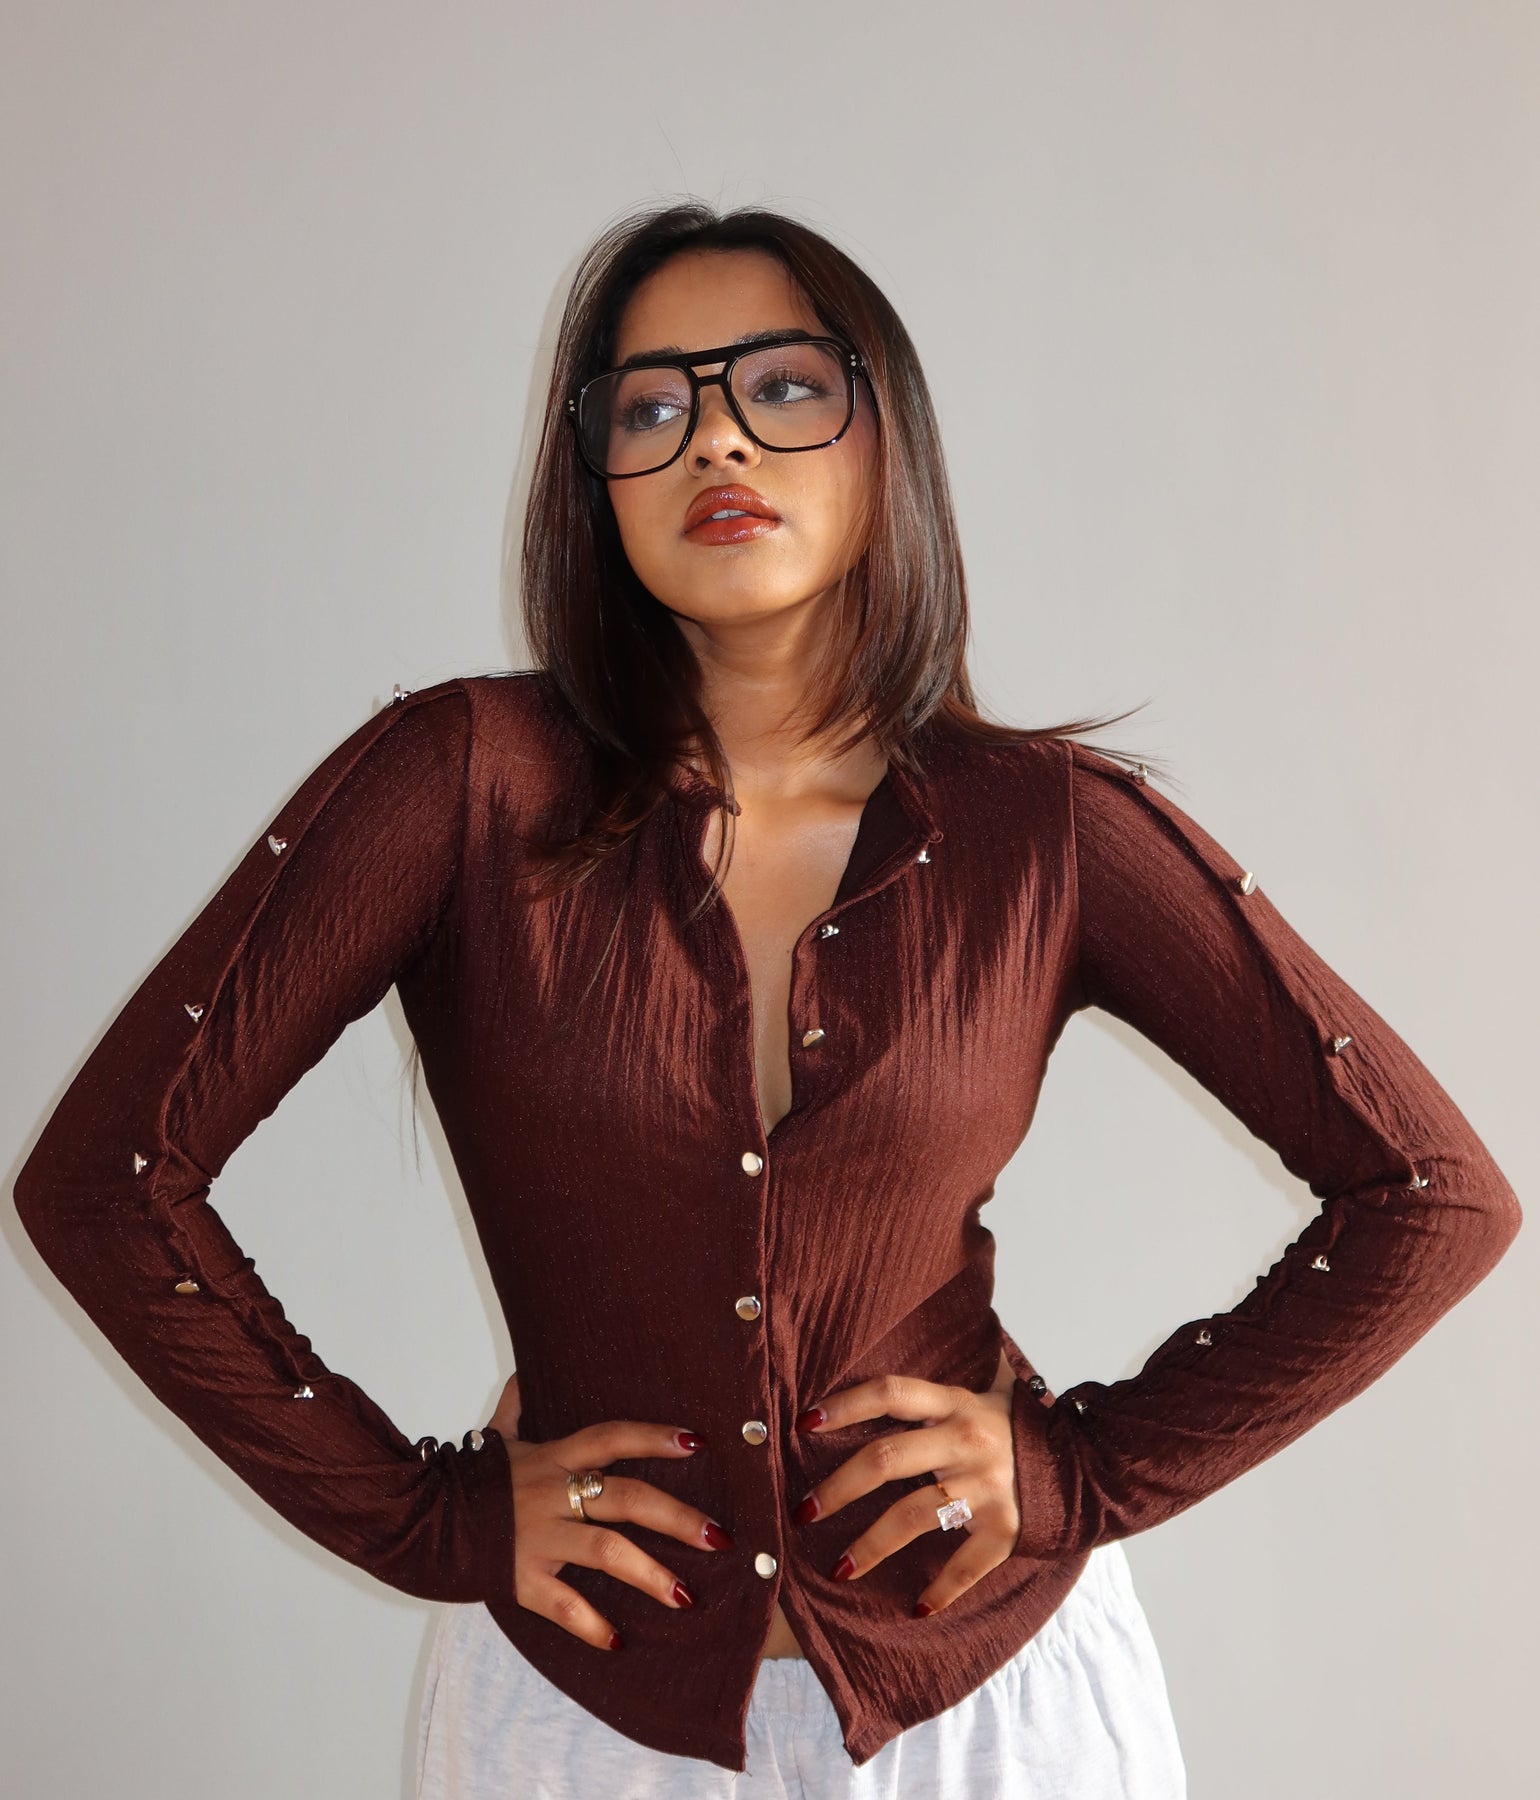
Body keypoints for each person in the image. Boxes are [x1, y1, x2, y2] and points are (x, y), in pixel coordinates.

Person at [13, 201, 1521, 1800]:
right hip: (580, 1727)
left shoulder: (1045, 829)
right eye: (650, 408)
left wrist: (1081, 1472)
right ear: (594, 481)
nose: (716, 440)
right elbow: (107, 1181)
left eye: (783, 386)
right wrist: (420, 1517)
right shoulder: (460, 785)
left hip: (996, 1721)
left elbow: (1432, 1194)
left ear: (887, 438)